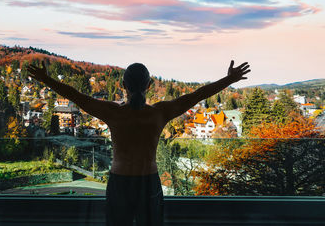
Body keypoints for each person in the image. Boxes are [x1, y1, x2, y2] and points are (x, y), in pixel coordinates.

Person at [27, 60, 250, 226]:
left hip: (119, 184)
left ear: (123, 85)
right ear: (150, 85)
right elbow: (197, 95)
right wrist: (229, 79)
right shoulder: (159, 113)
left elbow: (76, 96)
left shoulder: (113, 113)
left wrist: (46, 79)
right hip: (148, 183)